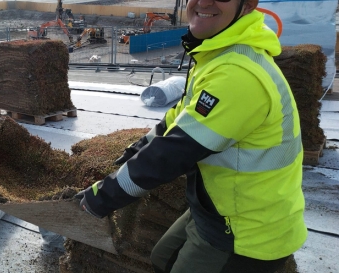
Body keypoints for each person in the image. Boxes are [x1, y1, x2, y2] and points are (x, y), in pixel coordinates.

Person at [75, 0, 307, 272]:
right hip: (218, 211)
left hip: (247, 231)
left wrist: (98, 199)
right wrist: (134, 150)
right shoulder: (220, 52)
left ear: (247, 5)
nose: (204, 1)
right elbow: (181, 116)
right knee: (163, 259)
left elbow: (172, 155)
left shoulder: (237, 74)